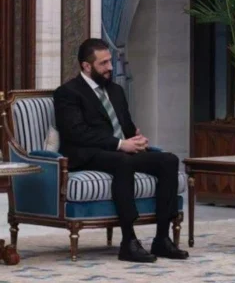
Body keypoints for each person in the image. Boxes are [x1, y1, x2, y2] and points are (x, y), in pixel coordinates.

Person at [54, 38, 189, 263]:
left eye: (110, 61)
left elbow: (126, 126)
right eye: (103, 63)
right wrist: (120, 144)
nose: (110, 67)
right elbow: (77, 133)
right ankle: (129, 242)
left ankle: (162, 239)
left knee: (168, 160)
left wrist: (137, 139)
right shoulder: (68, 93)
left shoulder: (115, 90)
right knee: (123, 162)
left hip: (119, 152)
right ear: (86, 66)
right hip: (87, 154)